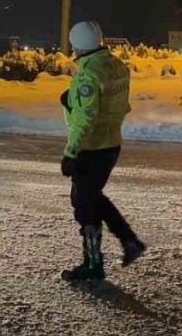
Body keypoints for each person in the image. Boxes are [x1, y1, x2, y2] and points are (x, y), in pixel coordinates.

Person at [59, 20, 146, 282]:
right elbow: (120, 105)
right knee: (91, 197)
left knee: (84, 203)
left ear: (76, 44)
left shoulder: (87, 75)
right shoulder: (118, 66)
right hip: (111, 143)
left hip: (91, 147)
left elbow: (86, 118)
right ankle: (127, 242)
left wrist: (71, 153)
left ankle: (95, 264)